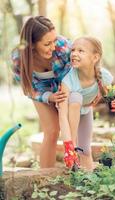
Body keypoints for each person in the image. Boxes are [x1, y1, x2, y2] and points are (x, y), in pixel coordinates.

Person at [11, 16, 73, 168]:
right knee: (51, 131)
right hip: (41, 92)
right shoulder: (19, 58)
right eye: (47, 43)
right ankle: (44, 177)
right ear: (32, 45)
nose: (53, 47)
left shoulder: (63, 47)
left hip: (66, 88)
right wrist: (49, 97)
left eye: (54, 40)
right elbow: (28, 88)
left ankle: (78, 170)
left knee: (72, 128)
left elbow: (80, 72)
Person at [58, 36, 115, 170]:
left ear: (95, 57)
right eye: (73, 50)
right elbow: (62, 115)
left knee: (85, 151)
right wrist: (68, 145)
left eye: (81, 51)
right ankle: (73, 150)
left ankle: (88, 181)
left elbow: (109, 94)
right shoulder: (68, 81)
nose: (74, 53)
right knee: (76, 97)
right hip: (70, 113)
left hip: (86, 111)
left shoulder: (103, 75)